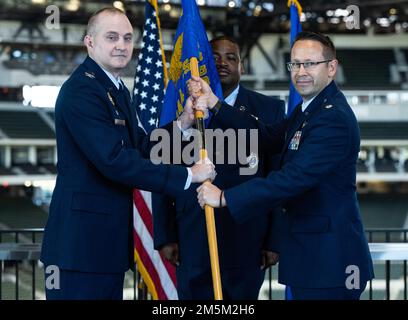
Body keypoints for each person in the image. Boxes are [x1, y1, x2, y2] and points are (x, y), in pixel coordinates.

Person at [40, 7, 215, 300]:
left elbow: (142, 148)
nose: (121, 45)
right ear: (90, 42)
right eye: (111, 37)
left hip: (101, 248)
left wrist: (182, 123)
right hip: (79, 251)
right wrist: (188, 175)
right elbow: (115, 161)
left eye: (127, 38)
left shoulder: (115, 89)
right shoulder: (82, 91)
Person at [193, 31, 374, 300]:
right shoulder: (308, 110)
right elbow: (264, 136)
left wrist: (224, 197)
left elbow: (292, 179)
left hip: (330, 265)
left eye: (310, 63)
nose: (301, 71)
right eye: (295, 63)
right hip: (314, 261)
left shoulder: (331, 119)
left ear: (331, 68)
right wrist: (216, 105)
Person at [153, 36, 285, 299]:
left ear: (242, 66)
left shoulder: (270, 109)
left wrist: (274, 239)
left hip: (248, 237)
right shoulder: (182, 105)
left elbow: (277, 176)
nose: (222, 63)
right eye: (214, 58)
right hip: (191, 237)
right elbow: (163, 171)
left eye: (231, 57)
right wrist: (165, 235)